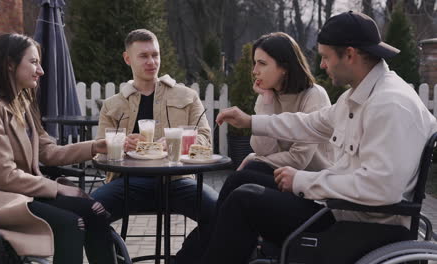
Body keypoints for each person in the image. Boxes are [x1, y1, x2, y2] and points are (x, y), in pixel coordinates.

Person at [201, 11, 437, 264]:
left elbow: (380, 188)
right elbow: (310, 123)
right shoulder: (360, 96)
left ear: (350, 54)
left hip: (367, 229)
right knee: (245, 187)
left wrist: (303, 180)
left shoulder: (389, 104)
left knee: (244, 200)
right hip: (346, 215)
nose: (321, 65)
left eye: (325, 57)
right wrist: (251, 121)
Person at [0, 33, 117, 264]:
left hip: (21, 192)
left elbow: (48, 152)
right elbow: (4, 176)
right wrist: (57, 188)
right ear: (10, 63)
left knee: (95, 211)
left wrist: (95, 146)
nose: (41, 71)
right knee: (71, 223)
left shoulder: (21, 104)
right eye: (34, 62)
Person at [91, 28, 218, 263]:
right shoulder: (112, 105)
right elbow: (99, 157)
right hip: (128, 184)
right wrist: (120, 145)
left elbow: (205, 141)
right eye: (143, 56)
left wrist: (176, 143)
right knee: (88, 212)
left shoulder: (187, 96)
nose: (152, 62)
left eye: (155, 55)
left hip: (177, 181)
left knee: (222, 213)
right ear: (127, 59)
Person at [217, 32, 333, 213]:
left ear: (284, 67)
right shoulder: (268, 95)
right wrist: (267, 101)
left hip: (312, 189)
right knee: (243, 180)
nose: (255, 71)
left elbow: (299, 160)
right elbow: (264, 150)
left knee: (241, 178)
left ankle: (208, 236)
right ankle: (207, 237)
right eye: (254, 63)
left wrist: (255, 158)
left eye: (262, 63)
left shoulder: (314, 96)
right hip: (282, 179)